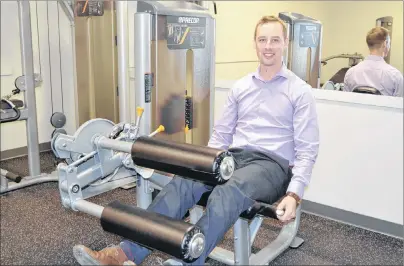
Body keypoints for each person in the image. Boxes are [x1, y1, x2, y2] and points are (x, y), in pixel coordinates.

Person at [72, 15, 320, 266]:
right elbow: (221, 135)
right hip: (234, 157)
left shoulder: (299, 91)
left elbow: (307, 150)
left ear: (285, 43)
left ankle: (187, 262)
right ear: (255, 44)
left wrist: (294, 195)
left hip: (271, 165)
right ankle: (126, 254)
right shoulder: (242, 87)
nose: (268, 46)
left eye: (275, 40)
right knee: (185, 180)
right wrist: (204, 167)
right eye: (263, 40)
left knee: (228, 191)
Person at [343, 26, 403, 97]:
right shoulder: (395, 76)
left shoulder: (350, 73)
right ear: (385, 44)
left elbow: (346, 103)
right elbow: (399, 106)